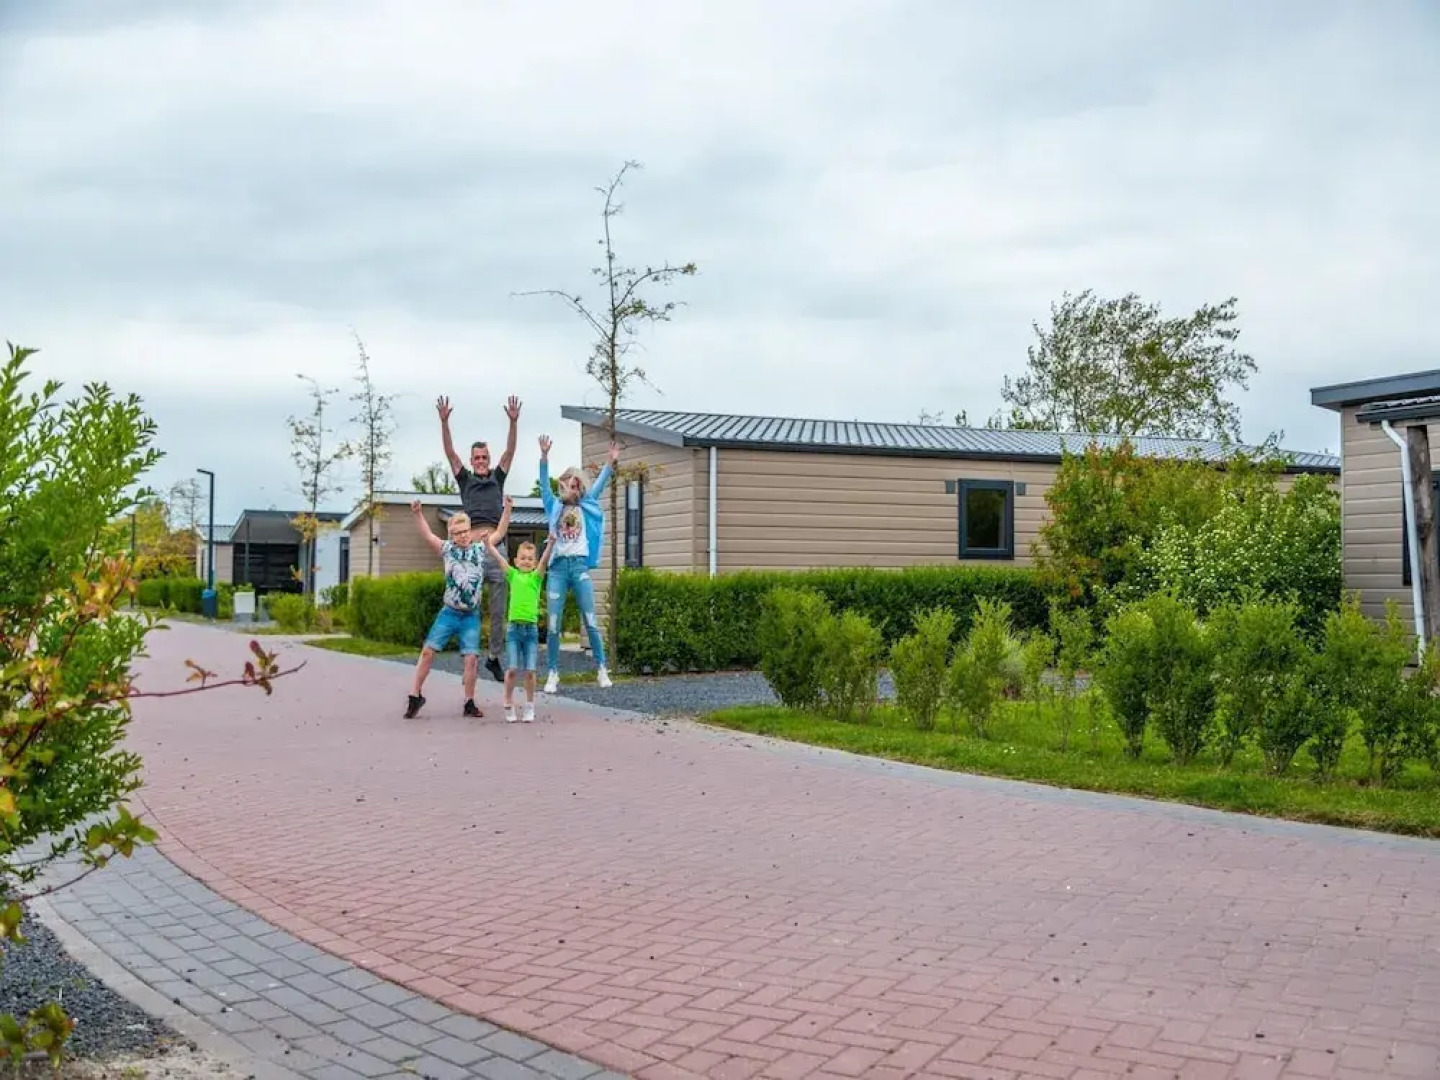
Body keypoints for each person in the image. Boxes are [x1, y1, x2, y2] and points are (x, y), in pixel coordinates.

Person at [403, 498, 512, 720]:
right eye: (458, 532)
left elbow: (499, 533)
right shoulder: (447, 549)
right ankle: (415, 695)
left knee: (471, 658)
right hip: (449, 612)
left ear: (470, 531)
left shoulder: (480, 550)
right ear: (452, 534)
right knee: (428, 651)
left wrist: (507, 509)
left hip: (470, 615)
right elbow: (428, 535)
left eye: (465, 531)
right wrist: (417, 514)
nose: (462, 536)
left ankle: (469, 702)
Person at [437, 393, 520, 684]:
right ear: (472, 462)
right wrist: (444, 421)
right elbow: (450, 454)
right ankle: (468, 657)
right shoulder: (465, 480)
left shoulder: (498, 478)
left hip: (496, 548)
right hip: (470, 551)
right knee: (466, 605)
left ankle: (494, 658)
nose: (482, 461)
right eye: (478, 458)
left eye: (485, 457)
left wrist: (513, 422)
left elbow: (510, 452)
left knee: (498, 610)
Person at [537, 434, 620, 693]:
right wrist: (544, 458)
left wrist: (610, 462)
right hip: (558, 568)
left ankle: (601, 668)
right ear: (563, 486)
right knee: (553, 622)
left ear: (580, 488)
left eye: (576, 486)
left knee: (591, 619)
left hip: (579, 567)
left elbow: (600, 485)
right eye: (568, 485)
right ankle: (552, 672)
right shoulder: (554, 506)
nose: (572, 490)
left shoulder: (587, 504)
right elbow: (543, 486)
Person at [482, 496, 556, 723]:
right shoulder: (513, 575)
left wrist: (551, 543)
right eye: (522, 558)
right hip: (514, 630)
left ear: (533, 562)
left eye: (529, 559)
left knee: (531, 671)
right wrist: (488, 545)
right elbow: (500, 561)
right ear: (516, 560)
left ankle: (530, 705)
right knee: (513, 668)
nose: (526, 561)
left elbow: (544, 562)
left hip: (531, 631)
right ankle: (507, 700)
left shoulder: (535, 578)